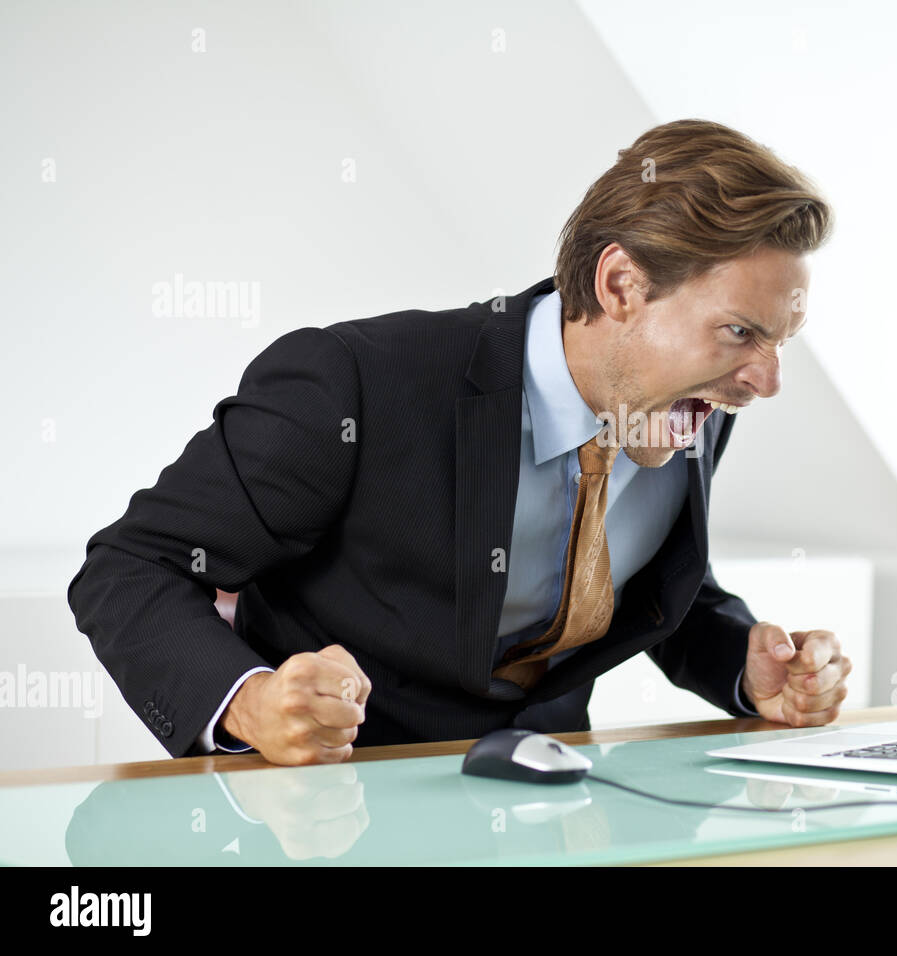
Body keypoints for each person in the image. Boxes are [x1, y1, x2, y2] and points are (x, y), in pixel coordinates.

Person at [67, 118, 852, 766]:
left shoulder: (689, 409)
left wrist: (743, 666)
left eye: (781, 342)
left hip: (549, 809)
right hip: (323, 812)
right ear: (621, 286)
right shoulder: (358, 385)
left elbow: (649, 579)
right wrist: (249, 701)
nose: (767, 381)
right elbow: (130, 567)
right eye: (741, 332)